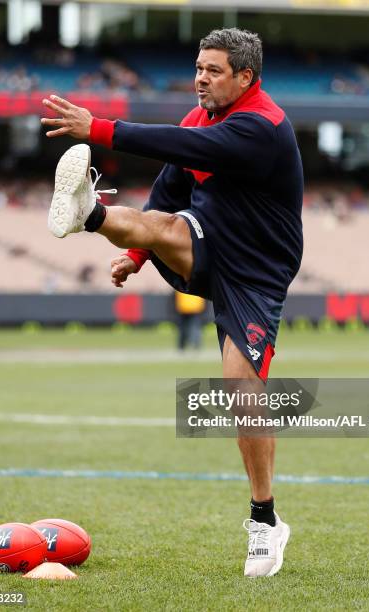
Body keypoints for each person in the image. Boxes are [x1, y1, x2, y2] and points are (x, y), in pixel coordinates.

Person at [41, 27, 303, 578]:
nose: (199, 78)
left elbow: (187, 147)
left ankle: (265, 519)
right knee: (156, 219)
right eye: (198, 67)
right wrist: (135, 258)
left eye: (213, 70)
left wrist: (103, 129)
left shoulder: (263, 126)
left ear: (245, 77)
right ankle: (89, 214)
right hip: (203, 236)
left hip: (257, 271)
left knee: (241, 388)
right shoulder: (200, 118)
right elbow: (168, 190)